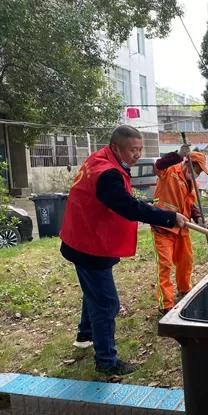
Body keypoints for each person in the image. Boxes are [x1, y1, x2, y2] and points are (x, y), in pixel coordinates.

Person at [60, 125, 188, 376]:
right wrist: (169, 217)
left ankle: (84, 336)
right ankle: (106, 361)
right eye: (133, 150)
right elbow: (128, 207)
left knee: (93, 293)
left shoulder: (100, 158)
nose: (137, 155)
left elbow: (120, 199)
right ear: (117, 147)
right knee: (107, 303)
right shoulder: (107, 174)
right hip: (90, 245)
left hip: (80, 238)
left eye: (140, 149)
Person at [152, 151, 208, 314]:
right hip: (163, 226)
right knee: (164, 265)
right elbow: (157, 166)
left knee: (186, 261)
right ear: (189, 165)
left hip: (182, 228)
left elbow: (190, 204)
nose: (198, 175)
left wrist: (198, 218)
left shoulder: (193, 183)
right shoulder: (169, 172)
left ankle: (184, 289)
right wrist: (176, 155)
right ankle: (166, 304)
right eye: (197, 171)